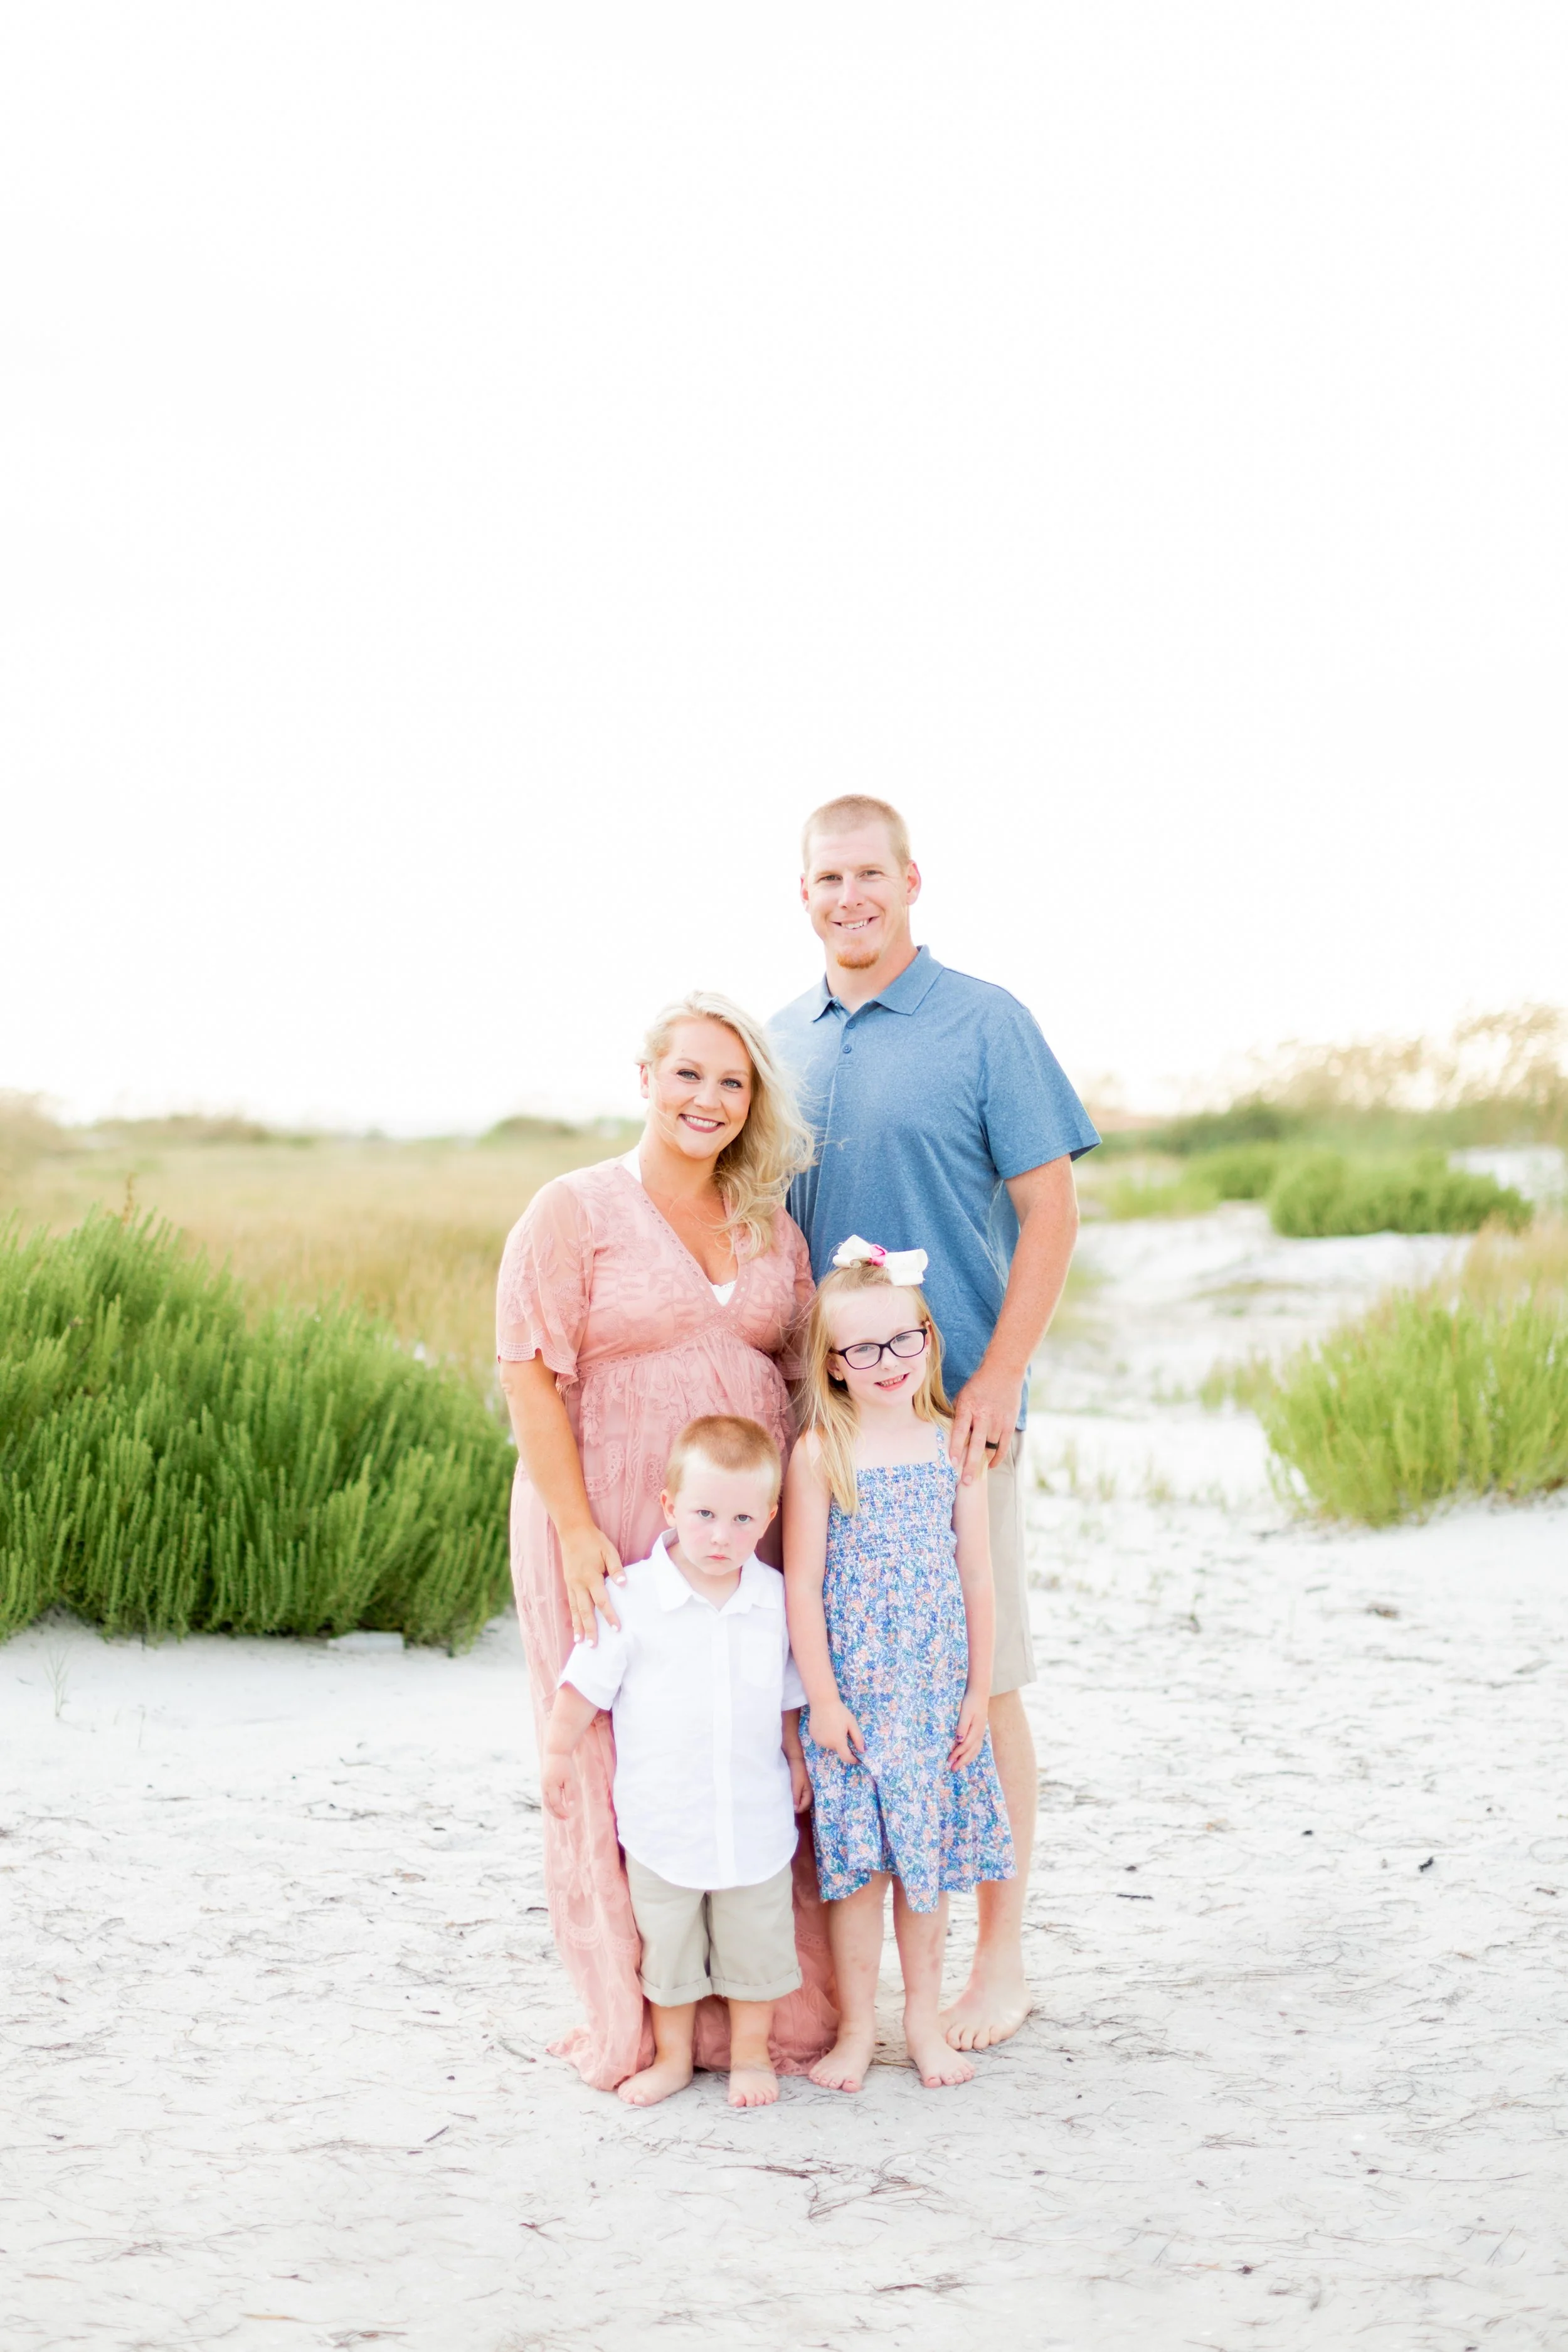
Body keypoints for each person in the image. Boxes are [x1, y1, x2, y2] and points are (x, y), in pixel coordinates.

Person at [771, 795, 1098, 2051]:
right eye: (824, 879)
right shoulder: (781, 1037)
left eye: (867, 874)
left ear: (910, 879)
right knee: (838, 1692)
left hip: (954, 1422)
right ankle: (836, 1994)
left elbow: (1050, 1212)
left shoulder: (982, 1022)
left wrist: (1001, 1377)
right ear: (799, 892)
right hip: (824, 1435)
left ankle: (998, 1959)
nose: (847, 897)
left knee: (983, 1680)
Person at [496, 990, 836, 2090]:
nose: (708, 1098)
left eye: (732, 1082)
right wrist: (579, 1527)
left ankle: (767, 2016)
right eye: (688, 1074)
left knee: (749, 1746)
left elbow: (797, 1378)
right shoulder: (574, 1209)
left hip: (745, 1531)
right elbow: (529, 1373)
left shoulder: (767, 1226)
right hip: (606, 1519)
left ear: (753, 1105)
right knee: (611, 1753)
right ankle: (637, 2020)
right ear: (646, 1079)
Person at [785, 1242, 1014, 2092]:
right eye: (864, 1349)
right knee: (856, 1869)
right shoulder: (819, 1454)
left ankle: (922, 2021)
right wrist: (822, 1700)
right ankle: (856, 2028)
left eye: (904, 1340)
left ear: (929, 1335)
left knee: (924, 1865)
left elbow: (978, 1575)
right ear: (834, 1365)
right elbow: (802, 1586)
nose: (889, 1363)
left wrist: (977, 1692)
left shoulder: (953, 1444)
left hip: (931, 1699)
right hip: (854, 1698)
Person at [542, 1416, 813, 2111]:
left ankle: (752, 2056)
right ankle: (671, 2058)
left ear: (768, 1517)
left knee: (754, 1945)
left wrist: (796, 1757)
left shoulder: (776, 1601)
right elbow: (583, 1685)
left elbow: (787, 1694)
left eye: (741, 1518)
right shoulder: (631, 1599)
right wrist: (556, 1752)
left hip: (753, 1818)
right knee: (667, 1950)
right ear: (669, 1508)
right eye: (703, 1514)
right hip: (663, 1820)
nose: (720, 1535)